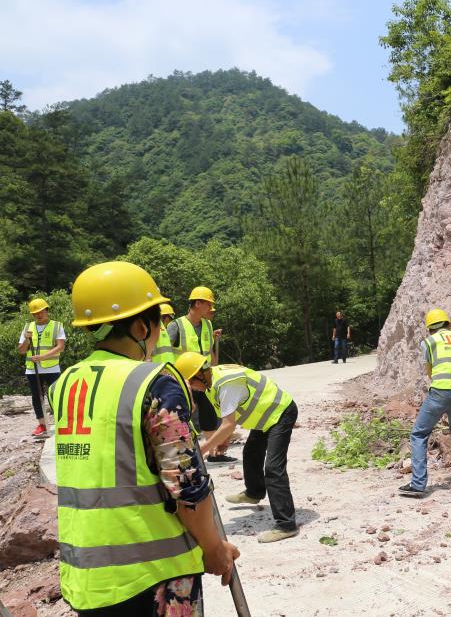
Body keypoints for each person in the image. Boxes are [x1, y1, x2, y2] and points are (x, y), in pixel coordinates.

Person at [49, 261, 239, 615]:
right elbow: (188, 487)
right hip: (153, 576)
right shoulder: (154, 383)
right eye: (156, 326)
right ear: (141, 325)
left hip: (87, 576)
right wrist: (214, 549)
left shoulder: (64, 385)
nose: (158, 336)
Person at [175, 352, 300, 543]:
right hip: (265, 417)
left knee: (273, 468)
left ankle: (286, 525)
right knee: (250, 453)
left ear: (200, 374)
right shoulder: (211, 382)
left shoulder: (226, 384)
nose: (192, 387)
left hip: (280, 413)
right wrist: (222, 440)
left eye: (191, 382)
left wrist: (203, 448)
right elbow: (227, 419)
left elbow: (228, 425)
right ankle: (254, 493)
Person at [399, 309, 451, 497]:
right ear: (448, 324)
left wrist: (438, 379)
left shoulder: (429, 342)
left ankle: (418, 484)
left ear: (429, 329)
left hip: (441, 391)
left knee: (419, 434)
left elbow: (430, 371)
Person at [168, 287, 232, 462]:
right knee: (183, 418)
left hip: (204, 378)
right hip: (183, 379)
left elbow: (208, 350)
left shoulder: (207, 325)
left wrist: (214, 371)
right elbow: (165, 352)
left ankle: (213, 453)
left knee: (209, 414)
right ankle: (183, 455)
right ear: (197, 303)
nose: (211, 308)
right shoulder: (176, 326)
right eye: (208, 304)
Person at [17, 298, 65, 437]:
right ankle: (42, 425)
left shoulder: (57, 326)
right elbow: (21, 350)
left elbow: (60, 347)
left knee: (55, 396)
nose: (38, 315)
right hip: (32, 368)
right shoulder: (27, 327)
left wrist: (42, 357)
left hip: (52, 368)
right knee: (37, 397)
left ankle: (61, 424)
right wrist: (26, 339)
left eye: (41, 311)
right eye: (35, 313)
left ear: (47, 310)